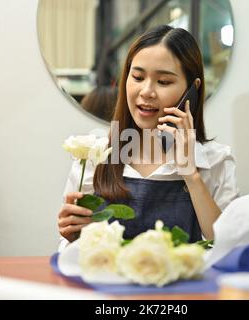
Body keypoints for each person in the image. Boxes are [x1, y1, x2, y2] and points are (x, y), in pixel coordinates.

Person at [57, 25, 239, 249]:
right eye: (137, 77)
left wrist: (191, 176)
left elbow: (228, 250)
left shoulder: (216, 161)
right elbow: (71, 254)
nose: (146, 91)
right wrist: (72, 236)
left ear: (193, 89)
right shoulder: (94, 156)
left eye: (163, 82)